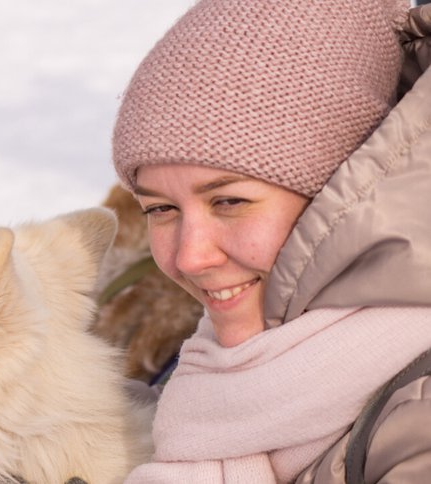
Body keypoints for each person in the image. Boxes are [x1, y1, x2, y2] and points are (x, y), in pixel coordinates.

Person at [111, 0, 431, 482]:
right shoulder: (237, 373)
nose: (190, 257)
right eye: (161, 209)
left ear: (339, 193)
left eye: (229, 202)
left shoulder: (414, 427)